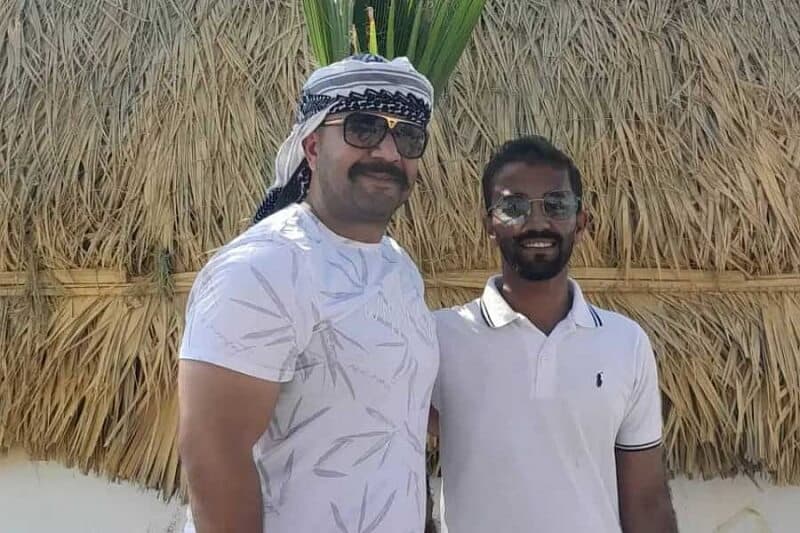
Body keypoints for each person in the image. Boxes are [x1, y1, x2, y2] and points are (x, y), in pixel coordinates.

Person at [177, 54, 439, 533]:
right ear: (313, 146)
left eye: (408, 136)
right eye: (364, 128)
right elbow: (214, 453)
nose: (387, 152)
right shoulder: (263, 267)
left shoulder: (399, 267)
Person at [430, 136, 679, 532]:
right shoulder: (439, 337)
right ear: (489, 224)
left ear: (581, 222)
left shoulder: (625, 343)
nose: (537, 222)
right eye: (514, 207)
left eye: (556, 205)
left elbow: (646, 500)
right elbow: (393, 459)